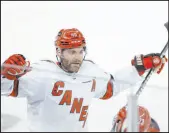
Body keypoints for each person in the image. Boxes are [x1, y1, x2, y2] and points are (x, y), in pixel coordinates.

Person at [1, 28, 167, 132]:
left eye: (80, 51)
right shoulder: (41, 73)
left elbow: (111, 87)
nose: (77, 57)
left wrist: (139, 68)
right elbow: (6, 88)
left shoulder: (89, 71)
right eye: (71, 52)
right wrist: (6, 74)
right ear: (59, 52)